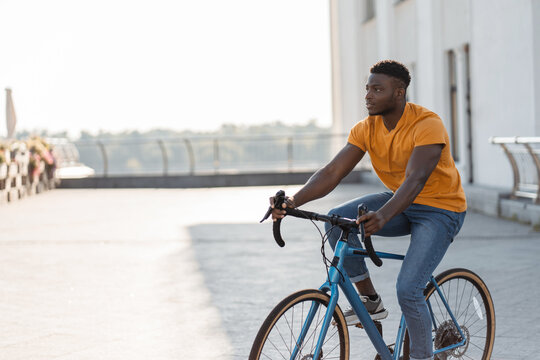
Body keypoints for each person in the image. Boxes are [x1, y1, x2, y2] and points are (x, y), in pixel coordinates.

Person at [270, 60, 466, 360]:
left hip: (440, 209)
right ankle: (370, 300)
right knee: (337, 222)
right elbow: (332, 172)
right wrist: (293, 202)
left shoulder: (427, 124)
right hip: (399, 200)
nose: (368, 96)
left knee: (408, 289)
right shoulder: (366, 128)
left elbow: (415, 179)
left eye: (378, 89)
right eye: (367, 89)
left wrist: (384, 215)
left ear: (399, 93)